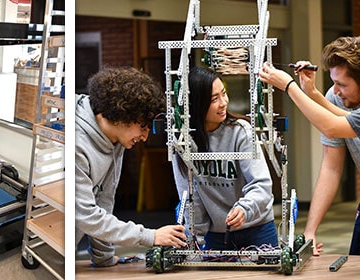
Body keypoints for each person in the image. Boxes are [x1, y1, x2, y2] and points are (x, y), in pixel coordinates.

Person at [259, 36, 360, 255]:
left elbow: (333, 126)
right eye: (333, 83)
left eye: (342, 84)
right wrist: (310, 231)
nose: (336, 91)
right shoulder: (338, 99)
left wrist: (289, 86)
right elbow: (331, 166)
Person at [75, 66, 187, 267]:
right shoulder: (76, 144)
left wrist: (104, 259)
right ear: (121, 115)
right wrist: (150, 236)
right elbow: (86, 215)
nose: (144, 137)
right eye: (142, 127)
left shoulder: (116, 140)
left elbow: (104, 201)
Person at [172, 66, 277, 250]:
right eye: (214, 99)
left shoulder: (241, 131)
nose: (223, 102)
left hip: (257, 229)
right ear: (196, 104)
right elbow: (189, 195)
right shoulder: (182, 141)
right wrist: (196, 236)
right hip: (216, 235)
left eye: (224, 93)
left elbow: (261, 185)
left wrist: (245, 209)